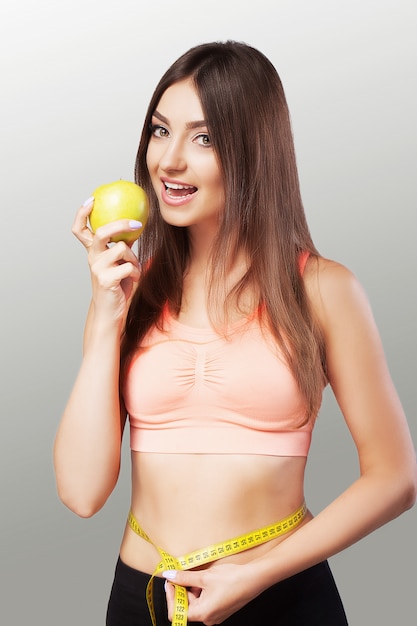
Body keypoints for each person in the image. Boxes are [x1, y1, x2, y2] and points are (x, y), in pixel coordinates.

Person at [53, 40, 417, 626]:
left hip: (281, 596)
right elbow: (81, 492)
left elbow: (396, 478)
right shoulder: (131, 292)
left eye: (204, 138)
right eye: (159, 131)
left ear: (255, 152)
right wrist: (103, 316)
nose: (169, 161)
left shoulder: (323, 290)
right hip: (143, 599)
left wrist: (254, 576)